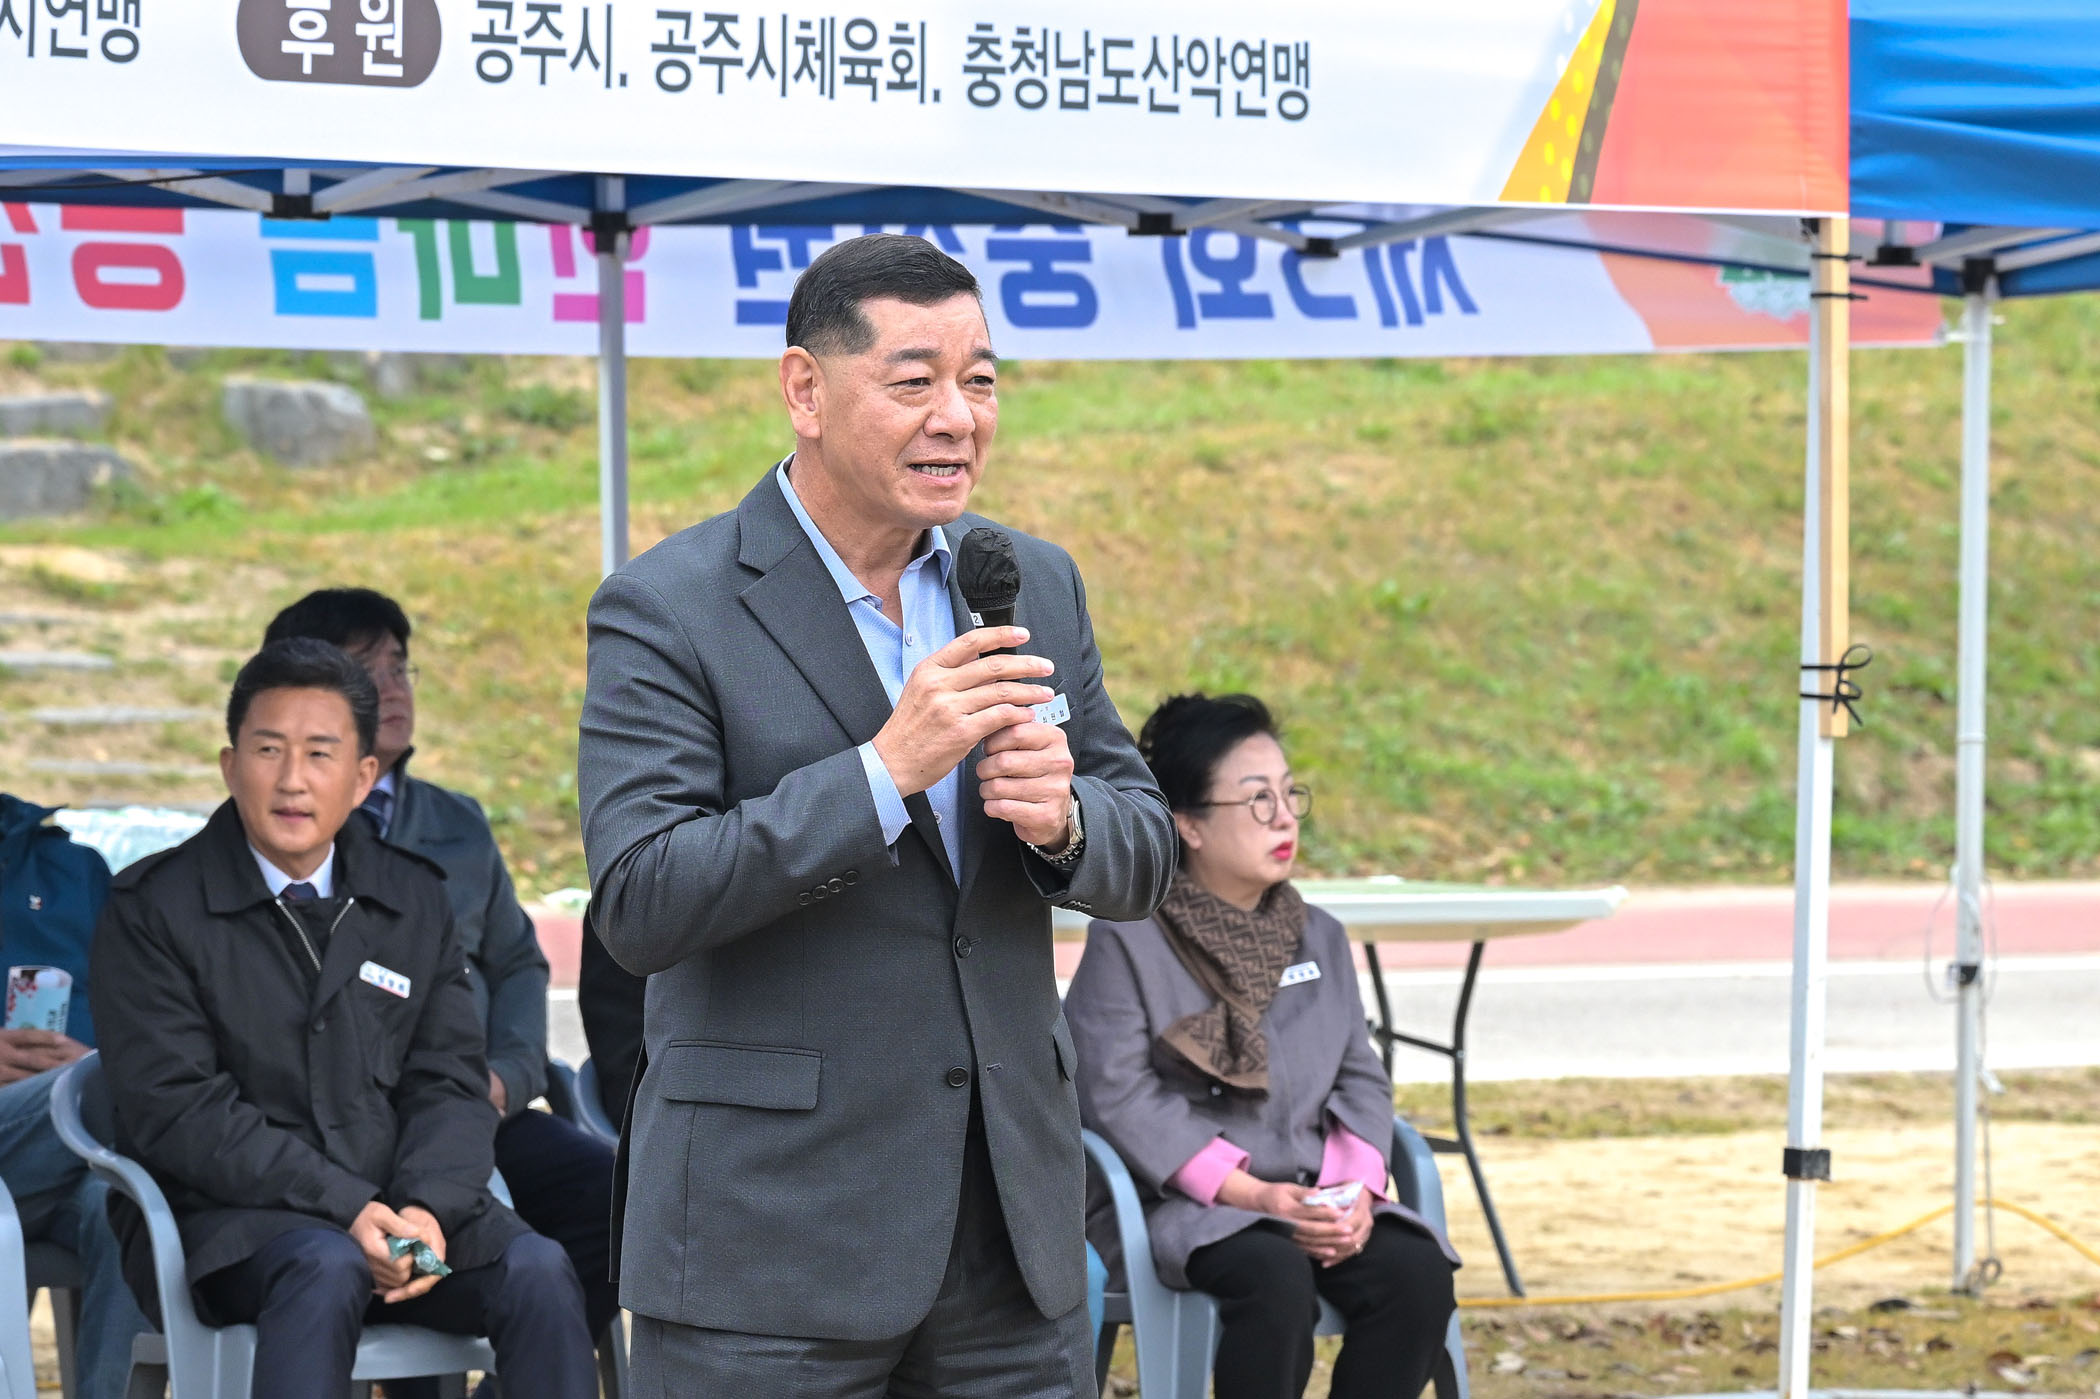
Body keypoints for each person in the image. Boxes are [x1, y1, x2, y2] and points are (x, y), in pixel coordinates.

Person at [578, 232, 1177, 1397]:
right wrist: (880, 773)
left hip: (1008, 1236)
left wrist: (1065, 822)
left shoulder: (1031, 582)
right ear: (805, 390)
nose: (958, 417)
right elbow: (643, 898)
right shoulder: (669, 606)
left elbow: (1146, 847)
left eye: (980, 380)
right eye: (914, 381)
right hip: (772, 1243)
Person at [89, 639, 598, 1399]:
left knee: (536, 1269)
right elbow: (180, 1111)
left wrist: (425, 1207)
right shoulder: (154, 908)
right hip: (231, 1226)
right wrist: (346, 1207)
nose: (292, 779)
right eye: (269, 750)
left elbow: (450, 1081)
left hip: (398, 1217)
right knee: (323, 1266)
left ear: (362, 777)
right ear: (230, 765)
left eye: (320, 754)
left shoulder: (411, 896)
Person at [262, 587, 620, 1371]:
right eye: (366, 670)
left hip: (479, 1112)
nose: (393, 688)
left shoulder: (456, 823)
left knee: (613, 1194)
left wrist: (506, 1077)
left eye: (400, 668)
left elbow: (518, 964)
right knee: (415, 1241)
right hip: (346, 1142)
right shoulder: (276, 830)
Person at [1065, 693, 1459, 1399]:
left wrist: (1351, 1193)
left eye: (1288, 794)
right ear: (1187, 824)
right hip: (1184, 1210)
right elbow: (1115, 1093)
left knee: (1417, 1275)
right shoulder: (1129, 939)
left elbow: (1360, 1077)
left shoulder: (1320, 935)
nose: (1284, 818)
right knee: (1274, 1282)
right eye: (1256, 799)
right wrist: (1253, 1193)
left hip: (1314, 1195)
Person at [0, 795, 152, 1399]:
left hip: (70, 1147)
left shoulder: (74, 869)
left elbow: (138, 1010)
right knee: (129, 1089)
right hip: (69, 1117)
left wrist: (89, 1057)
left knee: (127, 1208)